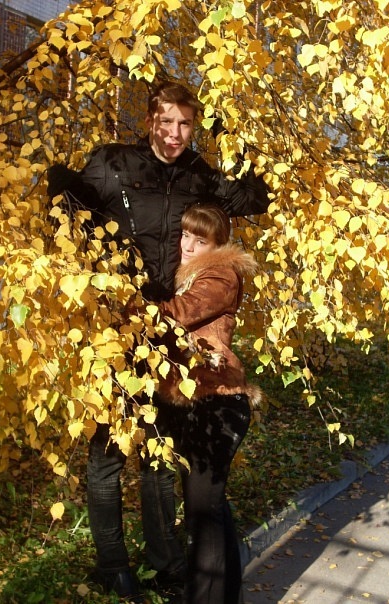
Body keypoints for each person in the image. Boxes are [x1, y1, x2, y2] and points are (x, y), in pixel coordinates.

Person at [47, 80, 269, 600]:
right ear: (149, 120)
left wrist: (231, 137)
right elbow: (69, 210)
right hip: (116, 326)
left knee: (157, 451)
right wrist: (58, 187)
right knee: (107, 450)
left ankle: (165, 563)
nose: (174, 133)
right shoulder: (114, 163)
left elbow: (252, 197)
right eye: (165, 121)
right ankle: (113, 567)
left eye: (185, 124)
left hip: (167, 335)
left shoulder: (198, 174)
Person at [155, 204, 263, 604]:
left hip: (218, 404)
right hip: (201, 403)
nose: (187, 246)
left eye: (200, 240)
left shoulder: (220, 274)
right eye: (185, 235)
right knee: (210, 510)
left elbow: (177, 315)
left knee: (203, 515)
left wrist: (125, 304)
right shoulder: (190, 276)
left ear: (217, 245)